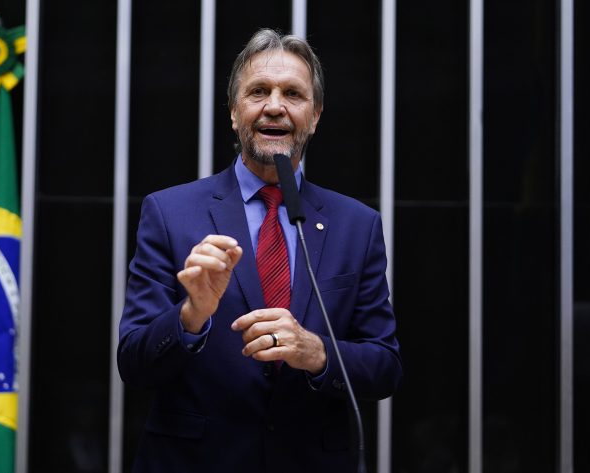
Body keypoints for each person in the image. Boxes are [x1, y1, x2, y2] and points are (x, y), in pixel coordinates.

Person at [118, 28, 402, 473]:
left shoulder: (357, 226)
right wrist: (192, 315)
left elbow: (384, 367)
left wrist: (317, 352)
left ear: (315, 115)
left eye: (293, 93)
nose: (275, 105)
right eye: (257, 92)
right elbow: (134, 364)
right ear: (234, 112)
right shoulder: (170, 212)